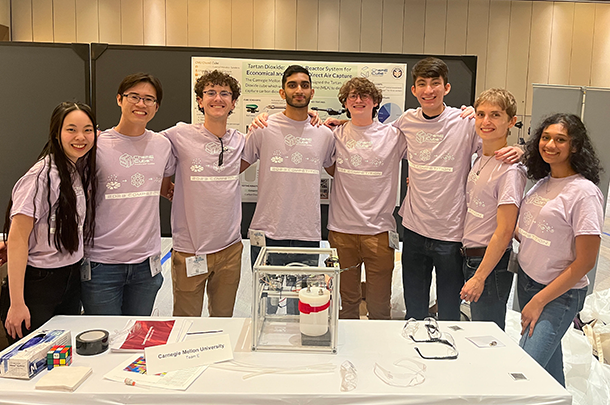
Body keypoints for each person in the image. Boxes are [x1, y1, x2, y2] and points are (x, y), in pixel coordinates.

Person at [395, 57, 521, 321]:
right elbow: (373, 136)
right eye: (422, 84)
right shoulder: (406, 121)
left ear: (446, 88)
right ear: (414, 90)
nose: (429, 90)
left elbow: (495, 143)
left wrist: (522, 149)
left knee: (450, 314)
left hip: (452, 236)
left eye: (435, 84)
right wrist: (340, 125)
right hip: (414, 231)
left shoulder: (466, 121)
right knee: (414, 311)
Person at [517, 113, 603, 386]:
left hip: (557, 295)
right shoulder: (542, 184)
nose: (550, 144)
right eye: (545, 137)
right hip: (529, 283)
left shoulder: (583, 193)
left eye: (560, 140)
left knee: (523, 370)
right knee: (549, 375)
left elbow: (586, 260)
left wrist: (540, 300)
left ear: (575, 146)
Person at [0, 102, 97, 342]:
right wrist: (17, 303)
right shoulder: (40, 177)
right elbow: (17, 239)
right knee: (32, 359)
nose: (80, 137)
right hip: (38, 284)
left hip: (70, 277)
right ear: (56, 133)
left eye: (87, 130)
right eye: (71, 129)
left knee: (61, 355)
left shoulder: (75, 170)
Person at [81, 73, 175, 316]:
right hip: (102, 264)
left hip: (146, 265)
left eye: (148, 99)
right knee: (103, 341)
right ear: (119, 99)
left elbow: (165, 188)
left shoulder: (162, 145)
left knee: (136, 339)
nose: (141, 104)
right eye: (134, 96)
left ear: (156, 107)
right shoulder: (96, 144)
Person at [242, 65, 334, 313]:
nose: (299, 90)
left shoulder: (324, 134)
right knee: (264, 308)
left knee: (301, 309)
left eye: (304, 85)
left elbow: (337, 170)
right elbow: (236, 166)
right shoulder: (262, 128)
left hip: (307, 233)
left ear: (312, 91)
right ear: (282, 92)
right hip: (267, 232)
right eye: (292, 85)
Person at [162, 70, 244, 317]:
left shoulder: (240, 140)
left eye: (224, 94)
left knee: (223, 319)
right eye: (210, 92)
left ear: (233, 102)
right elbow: (146, 149)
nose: (217, 98)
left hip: (230, 248)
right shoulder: (178, 135)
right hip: (190, 249)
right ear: (199, 100)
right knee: (186, 322)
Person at [326, 77, 407, 320]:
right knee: (347, 303)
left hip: (379, 233)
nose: (359, 100)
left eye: (365, 96)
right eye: (352, 96)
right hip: (342, 232)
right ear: (345, 102)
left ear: (375, 102)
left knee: (379, 305)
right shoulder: (334, 135)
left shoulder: (393, 136)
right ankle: (347, 353)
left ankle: (378, 354)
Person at [459, 89, 526, 330]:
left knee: (488, 336)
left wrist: (479, 277)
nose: (486, 121)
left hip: (489, 265)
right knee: (476, 331)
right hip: (471, 257)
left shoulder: (510, 170)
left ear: (511, 122)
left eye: (495, 115)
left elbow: (505, 229)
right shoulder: (481, 159)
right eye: (481, 114)